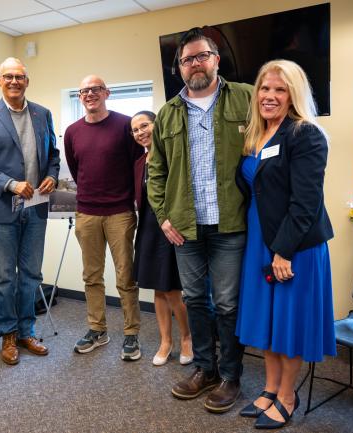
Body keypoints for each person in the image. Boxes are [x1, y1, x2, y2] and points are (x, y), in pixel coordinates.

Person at [147, 28, 252, 412]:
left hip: (231, 223)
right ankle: (205, 368)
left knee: (226, 303)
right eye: (187, 59)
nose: (195, 63)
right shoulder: (168, 112)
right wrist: (162, 216)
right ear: (179, 68)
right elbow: (154, 171)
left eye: (202, 55)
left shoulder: (246, 97)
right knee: (194, 299)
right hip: (185, 227)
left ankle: (230, 375)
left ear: (216, 59)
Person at [235, 59, 335, 429]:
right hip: (260, 239)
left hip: (293, 245)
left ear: (293, 94)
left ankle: (287, 396)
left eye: (280, 89)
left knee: (288, 322)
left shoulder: (304, 134)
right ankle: (270, 387)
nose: (270, 96)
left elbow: (306, 202)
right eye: (265, 88)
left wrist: (283, 250)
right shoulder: (254, 135)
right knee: (267, 319)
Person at [0, 57, 59, 365]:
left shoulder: (42, 113)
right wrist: (10, 184)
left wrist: (52, 175)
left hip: (36, 210)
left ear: (27, 81)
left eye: (19, 76)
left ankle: (26, 331)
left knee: (31, 274)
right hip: (3, 210)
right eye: (8, 76)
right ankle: (7, 335)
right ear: (0, 81)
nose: (14, 81)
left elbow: (54, 154)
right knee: (6, 277)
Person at [64, 75, 143, 361]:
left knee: (125, 277)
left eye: (95, 89)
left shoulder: (125, 124)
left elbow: (138, 164)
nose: (89, 94)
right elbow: (76, 170)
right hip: (87, 213)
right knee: (91, 276)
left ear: (107, 92)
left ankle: (131, 334)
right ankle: (98, 330)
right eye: (83, 90)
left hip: (120, 213)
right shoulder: (72, 131)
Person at [131, 111, 192, 366]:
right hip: (148, 227)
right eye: (134, 130)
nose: (140, 132)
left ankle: (187, 338)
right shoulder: (138, 163)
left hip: (171, 227)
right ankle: (166, 341)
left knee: (173, 290)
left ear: (157, 125)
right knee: (157, 288)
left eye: (144, 125)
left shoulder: (173, 154)